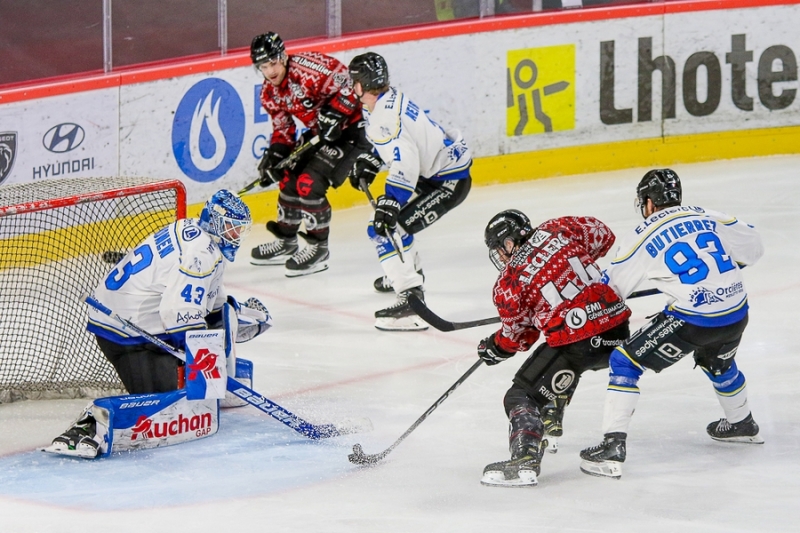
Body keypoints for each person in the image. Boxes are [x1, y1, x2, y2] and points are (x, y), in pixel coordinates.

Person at [47, 190, 270, 458]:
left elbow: (213, 307)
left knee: (222, 317)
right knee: (164, 412)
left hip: (141, 322)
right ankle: (91, 423)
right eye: (231, 229)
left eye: (239, 230)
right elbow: (178, 315)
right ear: (214, 222)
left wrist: (231, 325)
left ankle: (221, 379)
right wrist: (202, 358)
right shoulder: (200, 254)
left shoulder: (197, 233)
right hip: (127, 334)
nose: (236, 236)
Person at [579, 169, 764, 479]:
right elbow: (753, 249)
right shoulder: (709, 215)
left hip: (695, 320)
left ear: (649, 202)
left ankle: (612, 447)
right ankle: (742, 422)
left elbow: (610, 292)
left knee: (624, 361)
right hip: (736, 311)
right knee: (715, 358)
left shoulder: (642, 233)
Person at [477, 210, 631, 487]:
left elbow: (518, 337)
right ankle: (554, 407)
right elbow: (604, 236)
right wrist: (570, 268)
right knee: (563, 352)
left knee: (520, 395)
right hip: (617, 331)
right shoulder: (559, 228)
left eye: (500, 249)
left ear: (510, 242)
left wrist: (494, 347)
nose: (500, 256)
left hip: (580, 345)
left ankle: (525, 459)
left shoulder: (508, 282)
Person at [347, 52, 472, 331]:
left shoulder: (384, 115)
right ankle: (409, 273)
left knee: (383, 227)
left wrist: (391, 200)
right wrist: (373, 160)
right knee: (395, 224)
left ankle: (412, 300)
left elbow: (406, 159)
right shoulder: (383, 101)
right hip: (434, 174)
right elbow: (403, 143)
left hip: (446, 182)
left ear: (360, 84)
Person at [249, 32, 371, 277]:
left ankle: (319, 248)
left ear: (282, 57)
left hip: (353, 133)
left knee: (309, 183)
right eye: (263, 66)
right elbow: (283, 128)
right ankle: (287, 242)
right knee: (287, 178)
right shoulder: (269, 92)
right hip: (321, 134)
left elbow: (352, 83)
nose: (270, 71)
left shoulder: (309, 70)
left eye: (272, 63)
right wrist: (276, 154)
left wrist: (336, 113)